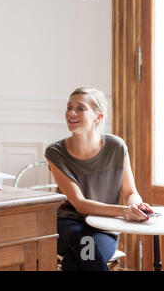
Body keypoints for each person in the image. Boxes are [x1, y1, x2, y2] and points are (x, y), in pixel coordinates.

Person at [45, 87, 154, 271]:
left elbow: (130, 192)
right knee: (83, 240)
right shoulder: (55, 152)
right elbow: (79, 204)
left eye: (80, 108)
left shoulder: (116, 147)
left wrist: (135, 205)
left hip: (104, 227)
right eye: (69, 107)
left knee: (75, 261)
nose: (71, 112)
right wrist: (124, 211)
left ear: (98, 117)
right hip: (68, 224)